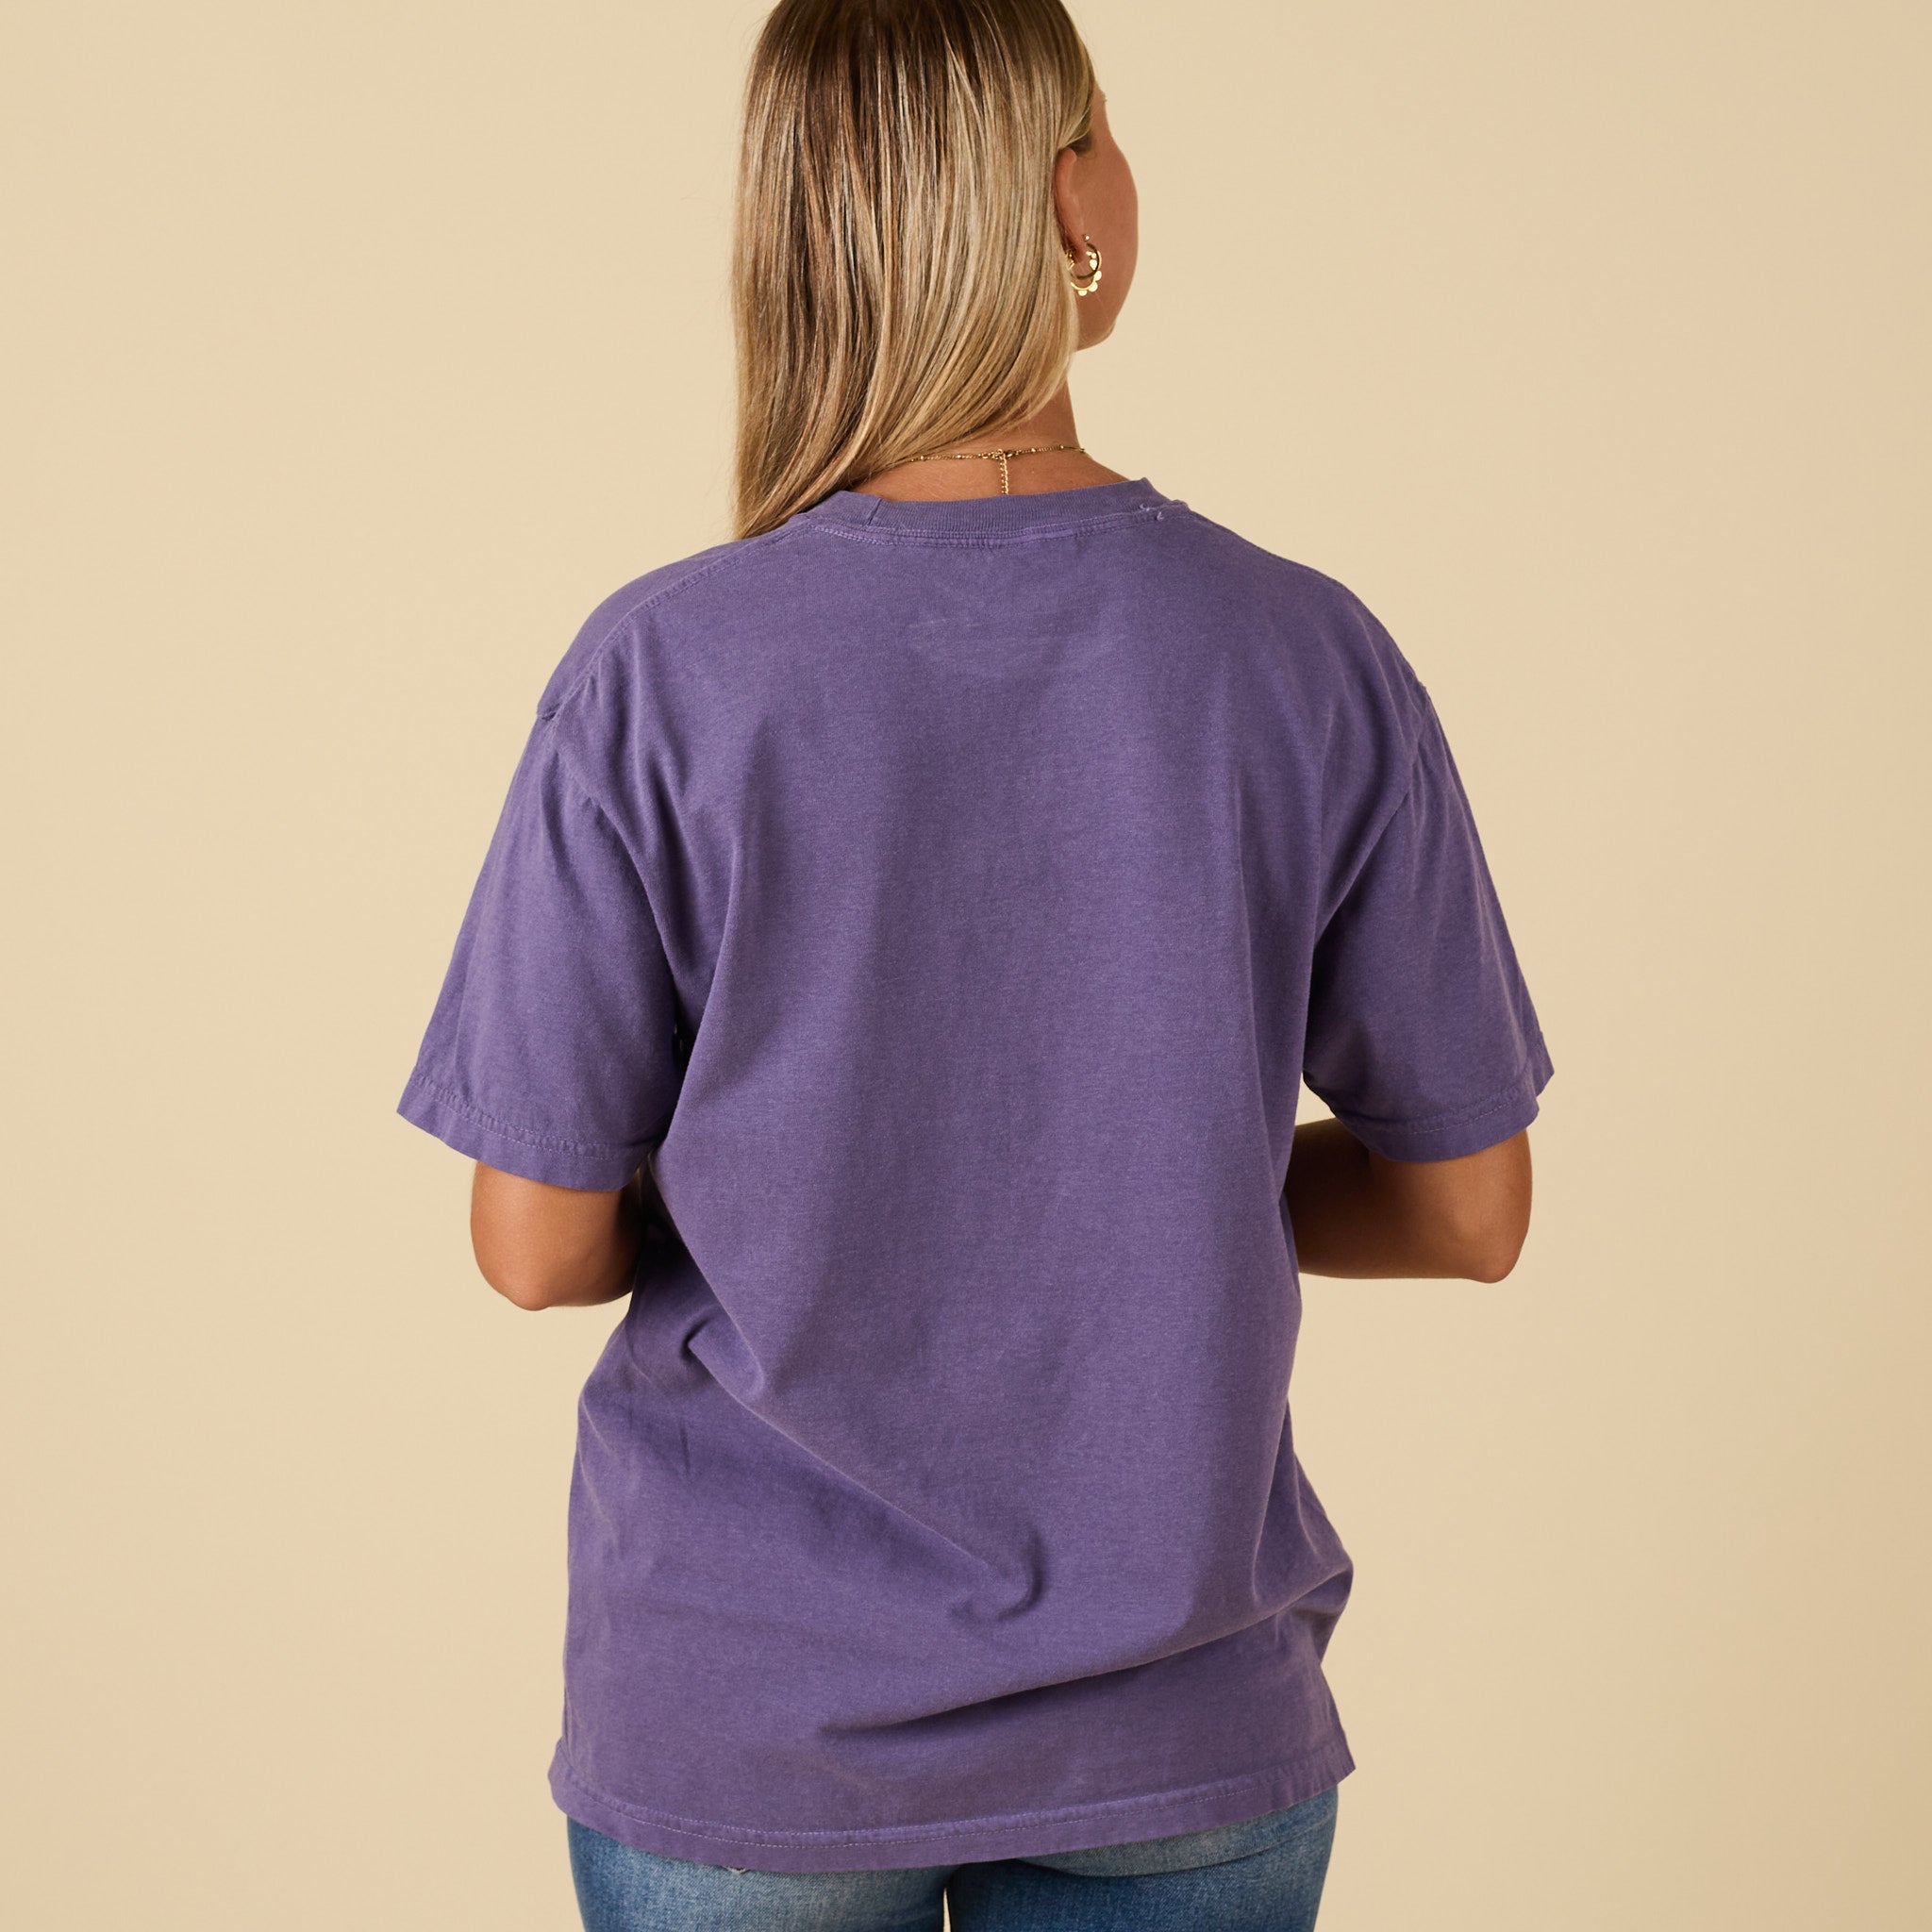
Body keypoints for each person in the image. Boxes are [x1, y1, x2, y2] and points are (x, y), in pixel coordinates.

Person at [395, 1, 1554, 1926]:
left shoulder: (662, 672)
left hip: (748, 1719)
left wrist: (843, 1197)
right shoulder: (1305, 653)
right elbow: (1469, 1210)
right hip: (1175, 1713)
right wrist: (1138, 1184)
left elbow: (534, 1246)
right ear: (1069, 196)